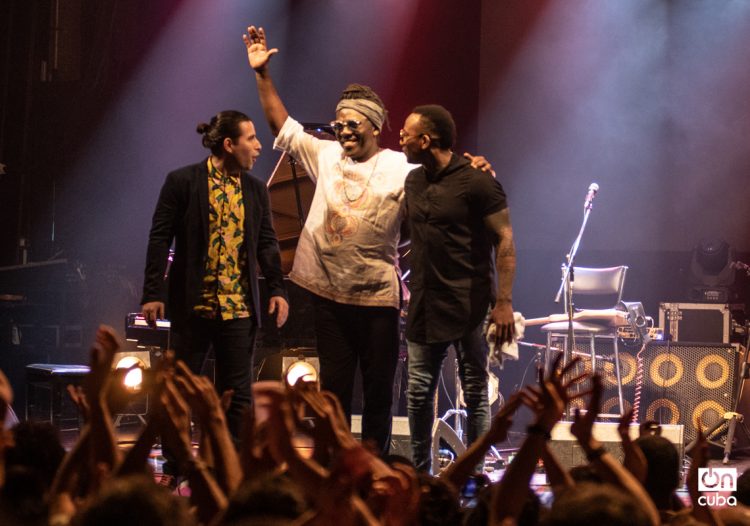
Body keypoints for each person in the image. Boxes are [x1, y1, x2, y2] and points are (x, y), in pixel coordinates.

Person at [243, 26, 494, 455]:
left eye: (352, 124)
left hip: (377, 298)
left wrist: (477, 172)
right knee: (335, 388)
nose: (343, 131)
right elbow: (281, 125)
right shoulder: (324, 155)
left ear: (374, 126)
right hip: (328, 295)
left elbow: (446, 174)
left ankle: (373, 462)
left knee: (378, 390)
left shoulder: (401, 166)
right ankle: (334, 462)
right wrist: (263, 74)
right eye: (339, 124)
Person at [140, 110, 289, 478]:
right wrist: (152, 292)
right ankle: (177, 464)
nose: (258, 146)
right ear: (229, 144)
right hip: (195, 306)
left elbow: (267, 243)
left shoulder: (254, 189)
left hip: (238, 309)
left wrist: (277, 288)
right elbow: (160, 238)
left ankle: (229, 465)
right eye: (250, 138)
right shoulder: (183, 182)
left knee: (237, 395)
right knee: (181, 389)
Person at [399, 105, 516, 473]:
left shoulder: (477, 180)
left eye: (405, 133)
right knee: (418, 393)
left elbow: (506, 240)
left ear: (425, 140)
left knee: (476, 391)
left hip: (470, 302)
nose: (400, 138)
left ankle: (474, 474)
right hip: (425, 302)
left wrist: (504, 302)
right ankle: (421, 473)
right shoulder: (413, 180)